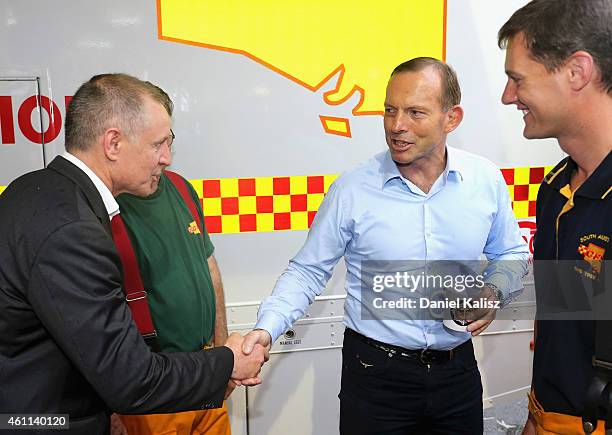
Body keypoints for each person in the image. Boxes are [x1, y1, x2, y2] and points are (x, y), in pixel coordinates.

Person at [242, 57, 529, 434]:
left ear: (451, 118)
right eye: (390, 111)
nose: (397, 126)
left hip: (457, 373)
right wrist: (266, 330)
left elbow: (510, 254)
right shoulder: (352, 189)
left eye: (415, 112)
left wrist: (492, 292)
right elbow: (307, 270)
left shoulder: (485, 180)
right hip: (375, 376)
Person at [0, 73, 265, 434]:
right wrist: (227, 364)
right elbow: (130, 380)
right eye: (158, 144)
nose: (167, 158)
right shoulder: (74, 229)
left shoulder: (32, 190)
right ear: (113, 143)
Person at [498, 1, 612, 434]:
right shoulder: (557, 189)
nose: (508, 96)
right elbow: (568, 329)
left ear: (577, 72)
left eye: (517, 79)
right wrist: (539, 414)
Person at [113, 164, 234, 435]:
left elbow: (209, 267)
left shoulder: (181, 188)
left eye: (169, 141)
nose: (166, 156)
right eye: (156, 144)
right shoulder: (105, 205)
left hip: (205, 371)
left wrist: (222, 354)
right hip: (153, 385)